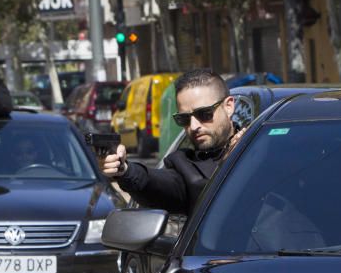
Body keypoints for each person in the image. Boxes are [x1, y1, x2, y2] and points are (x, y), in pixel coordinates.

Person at [102, 68, 245, 215]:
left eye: (204, 114)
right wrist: (125, 170)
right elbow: (158, 184)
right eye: (184, 119)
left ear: (228, 107)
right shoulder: (185, 167)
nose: (194, 126)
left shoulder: (262, 148)